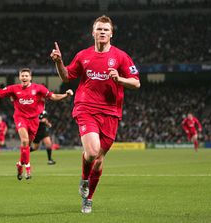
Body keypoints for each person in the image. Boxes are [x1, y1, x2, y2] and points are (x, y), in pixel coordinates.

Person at [50, 15, 140, 213]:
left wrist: (120, 79)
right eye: (99, 29)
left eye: (106, 30)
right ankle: (84, 178)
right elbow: (66, 77)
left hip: (111, 113)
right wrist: (59, 62)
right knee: (91, 152)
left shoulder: (121, 57)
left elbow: (136, 82)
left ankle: (88, 198)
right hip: (86, 108)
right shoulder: (83, 55)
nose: (102, 32)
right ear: (92, 32)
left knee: (98, 159)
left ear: (111, 34)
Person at [0, 68, 73, 180]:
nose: (24, 77)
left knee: (27, 146)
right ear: (19, 77)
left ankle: (20, 165)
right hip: (20, 118)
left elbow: (53, 96)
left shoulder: (38, 88)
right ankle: (28, 169)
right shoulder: (14, 89)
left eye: (26, 76)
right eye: (22, 75)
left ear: (30, 77)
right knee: (24, 141)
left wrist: (66, 95)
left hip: (34, 121)